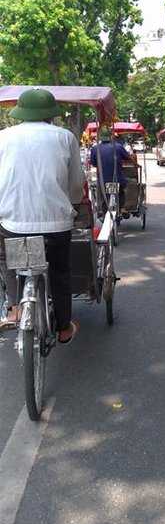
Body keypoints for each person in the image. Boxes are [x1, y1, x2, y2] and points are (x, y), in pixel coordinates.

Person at [0, 89, 84, 343]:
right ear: (51, 115)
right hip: (56, 224)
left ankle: (14, 308)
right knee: (59, 271)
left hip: (12, 222)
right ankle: (64, 328)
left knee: (9, 265)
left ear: (20, 113)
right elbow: (75, 185)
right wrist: (74, 206)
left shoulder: (3, 137)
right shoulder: (65, 137)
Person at [90, 128, 138, 216]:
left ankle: (102, 209)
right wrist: (136, 165)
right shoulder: (118, 147)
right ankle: (122, 207)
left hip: (102, 181)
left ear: (100, 137)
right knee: (123, 189)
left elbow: (93, 163)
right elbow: (129, 159)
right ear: (111, 136)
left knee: (102, 193)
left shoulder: (95, 148)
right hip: (118, 179)